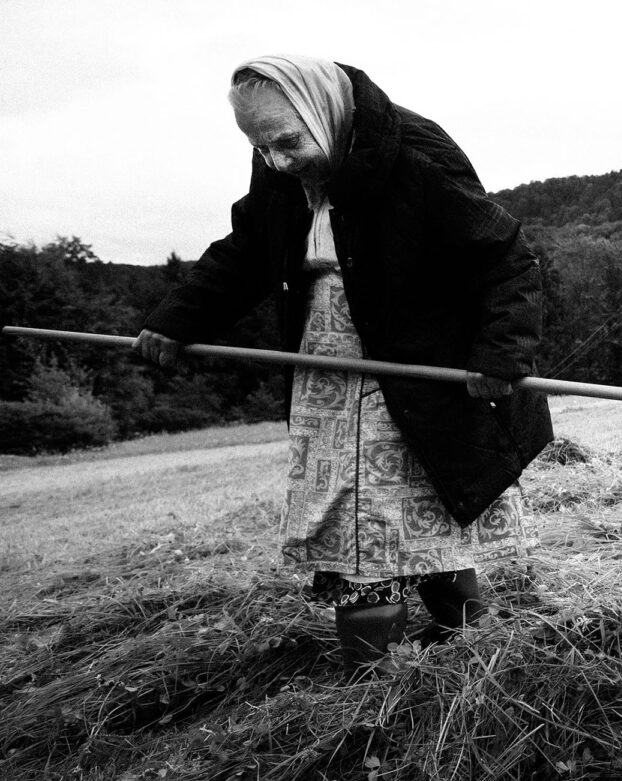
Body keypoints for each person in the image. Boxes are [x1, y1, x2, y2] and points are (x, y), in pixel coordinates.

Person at [132, 55, 553, 677]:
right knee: (360, 520)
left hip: (416, 366)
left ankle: (400, 693)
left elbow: (506, 258)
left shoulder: (414, 155)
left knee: (405, 517)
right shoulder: (283, 163)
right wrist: (176, 318)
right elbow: (248, 249)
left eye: (286, 143)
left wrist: (499, 355)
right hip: (326, 372)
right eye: (260, 147)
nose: (276, 161)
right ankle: (424, 676)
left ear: (320, 110)